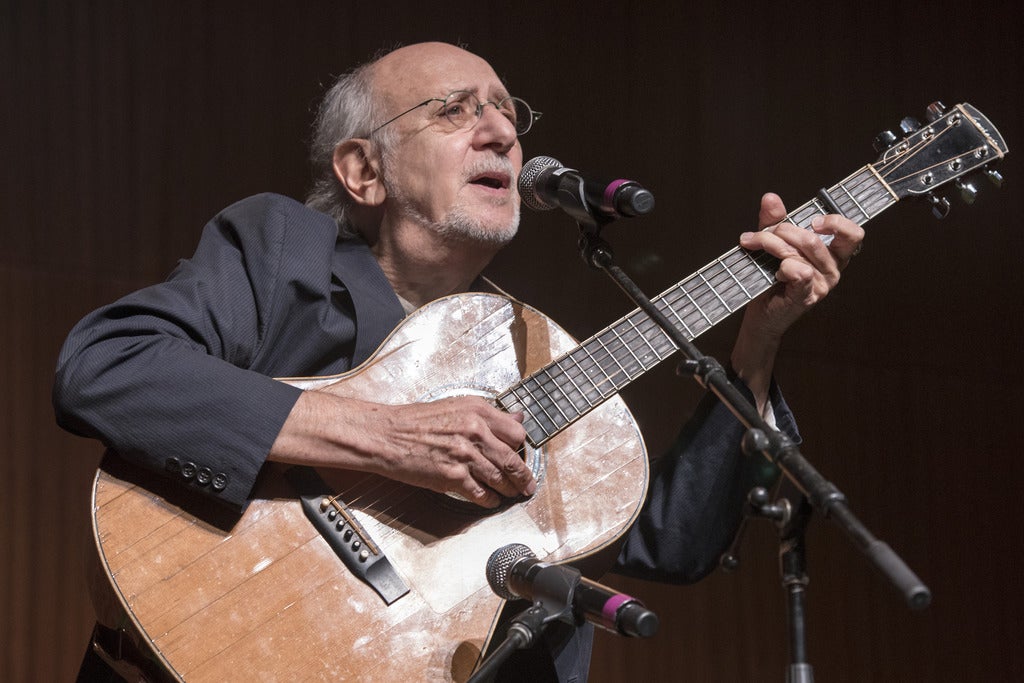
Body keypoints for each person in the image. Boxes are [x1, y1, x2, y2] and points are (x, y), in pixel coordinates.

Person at [54, 41, 864, 682]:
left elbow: (670, 544)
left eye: (509, 113)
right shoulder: (282, 250)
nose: (504, 132)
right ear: (363, 171)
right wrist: (386, 437)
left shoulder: (527, 344)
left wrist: (758, 338)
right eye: (453, 110)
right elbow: (106, 365)